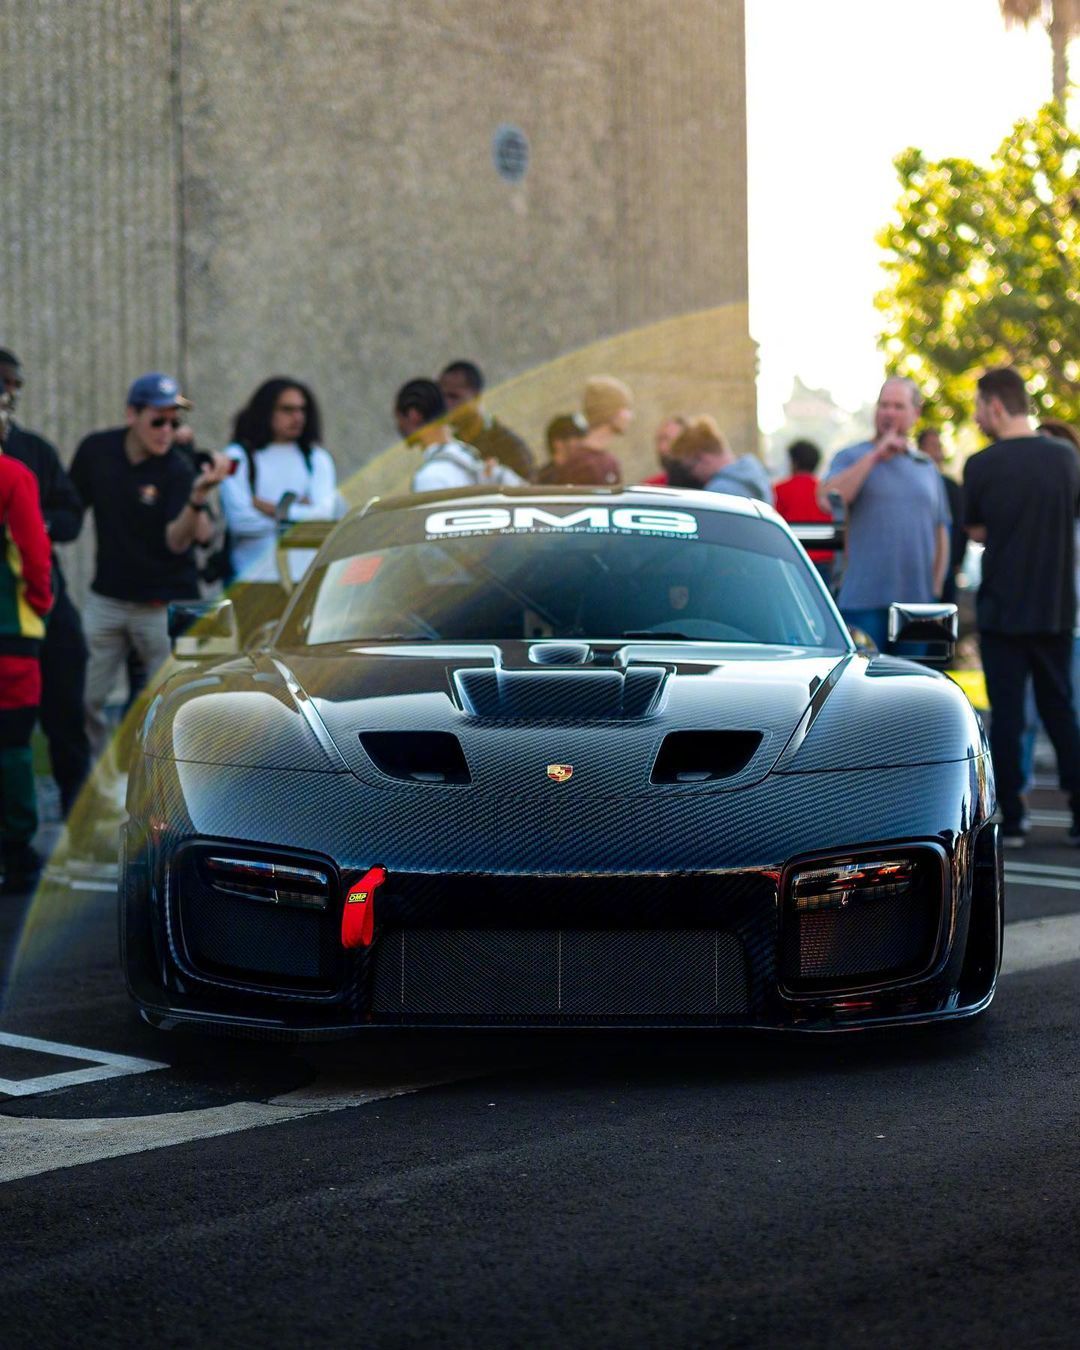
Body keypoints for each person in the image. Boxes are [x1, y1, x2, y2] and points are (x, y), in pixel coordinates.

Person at [70, 372, 230, 763]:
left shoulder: (178, 467)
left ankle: (155, 783)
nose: (167, 431)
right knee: (84, 698)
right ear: (132, 415)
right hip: (108, 597)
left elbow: (177, 541)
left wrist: (197, 499)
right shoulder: (96, 451)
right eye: (158, 421)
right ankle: (100, 783)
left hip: (163, 603)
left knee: (168, 704)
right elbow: (69, 506)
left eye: (175, 422)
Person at [963, 367, 1080, 849]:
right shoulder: (1066, 458)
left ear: (995, 405)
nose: (976, 417)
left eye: (978, 407)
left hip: (1003, 608)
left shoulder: (980, 464)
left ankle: (1013, 818)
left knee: (1008, 717)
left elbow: (975, 530)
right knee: (1061, 712)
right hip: (1055, 607)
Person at [0, 347, 90, 817]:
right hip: (11, 608)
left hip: (43, 599)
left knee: (65, 703)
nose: (10, 393)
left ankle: (75, 808)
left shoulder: (33, 451)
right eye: (4, 383)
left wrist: (33, 525)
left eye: (16, 384)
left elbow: (70, 516)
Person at [820, 377, 949, 651]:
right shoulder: (851, 456)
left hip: (916, 605)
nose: (889, 412)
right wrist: (876, 455)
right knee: (864, 679)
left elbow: (941, 530)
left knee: (913, 679)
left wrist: (934, 590)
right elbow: (828, 500)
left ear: (915, 413)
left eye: (898, 406)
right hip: (862, 601)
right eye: (883, 405)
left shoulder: (926, 466)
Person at [0, 391, 53, 890]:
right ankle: (15, 852)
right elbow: (33, 553)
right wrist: (41, 603)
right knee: (14, 745)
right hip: (10, 636)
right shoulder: (13, 476)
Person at [395, 378, 523, 492]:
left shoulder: (429, 478)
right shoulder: (471, 459)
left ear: (413, 414)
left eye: (399, 419)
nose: (398, 426)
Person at [438, 360, 535, 481]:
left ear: (476, 397)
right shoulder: (450, 450)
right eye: (442, 398)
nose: (447, 405)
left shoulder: (509, 447)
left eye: (454, 396)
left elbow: (527, 490)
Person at [664, 416, 773, 503]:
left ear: (702, 458)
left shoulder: (717, 492)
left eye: (690, 468)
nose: (693, 475)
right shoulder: (755, 472)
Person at [773, 439, 834, 585]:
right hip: (825, 561)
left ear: (794, 462)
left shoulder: (780, 490)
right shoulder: (826, 490)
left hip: (793, 558)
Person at [917, 427, 966, 604]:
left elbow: (960, 525)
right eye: (932, 445)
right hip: (922, 565)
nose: (937, 450)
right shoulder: (915, 484)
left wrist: (958, 560)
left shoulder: (951, 486)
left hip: (948, 565)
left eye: (939, 445)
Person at [535, 413, 587, 484]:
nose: (583, 444)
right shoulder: (545, 478)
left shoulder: (582, 473)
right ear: (558, 443)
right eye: (578, 438)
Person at [639, 415, 688, 487]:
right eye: (659, 440)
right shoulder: (650, 487)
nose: (662, 448)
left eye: (668, 440)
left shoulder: (702, 485)